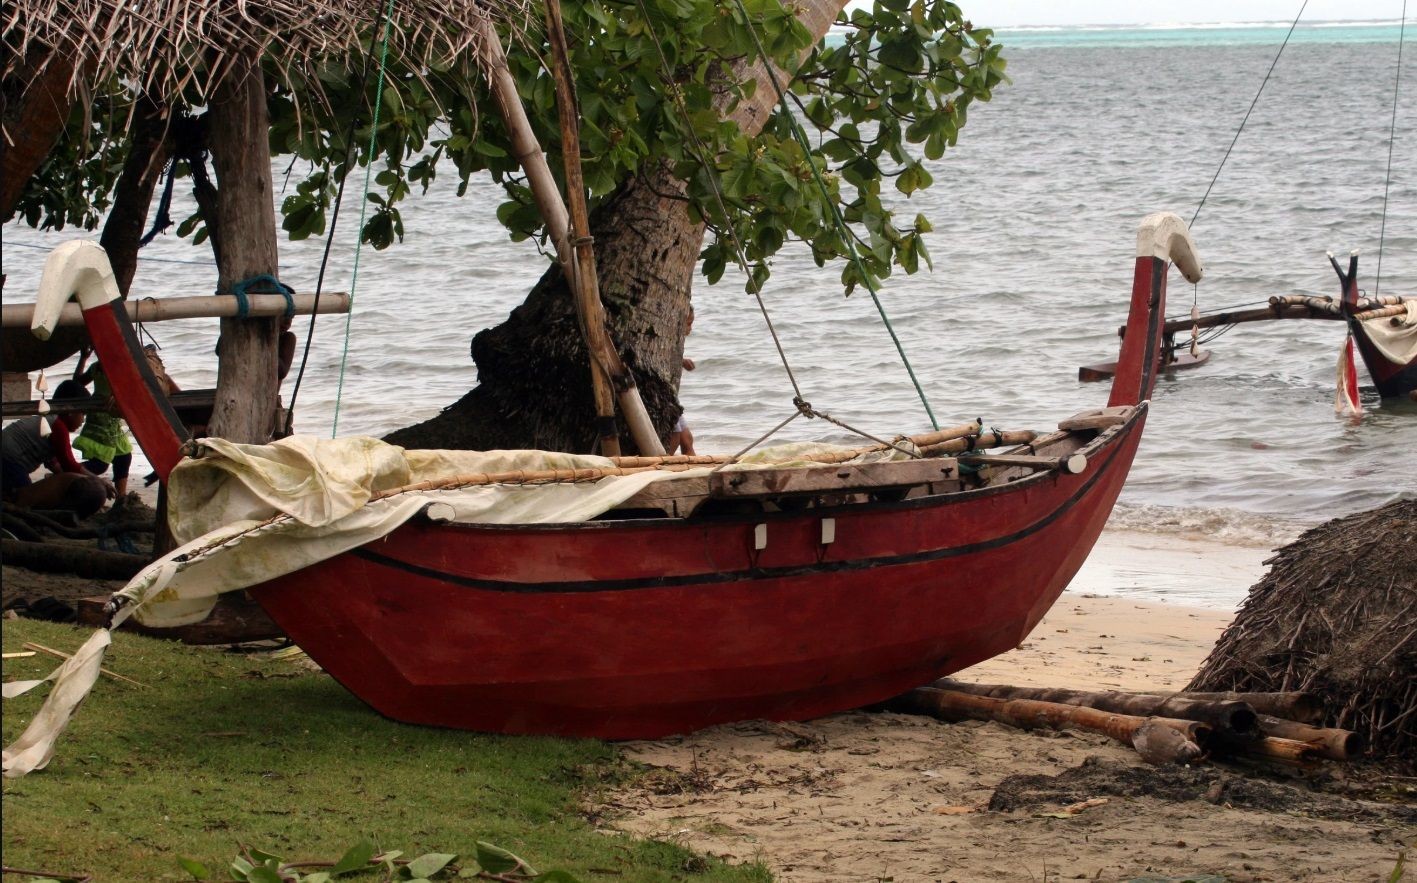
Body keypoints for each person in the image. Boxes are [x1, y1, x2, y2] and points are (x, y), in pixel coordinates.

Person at [1, 379, 114, 518]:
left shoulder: (48, 420)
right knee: (23, 501)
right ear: (70, 411)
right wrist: (98, 481)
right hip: (8, 459)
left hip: (8, 458)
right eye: (82, 414)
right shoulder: (58, 426)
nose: (83, 420)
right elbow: (69, 465)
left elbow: (54, 464)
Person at [72, 360, 134, 501]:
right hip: (102, 418)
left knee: (123, 457)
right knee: (99, 465)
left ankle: (121, 499)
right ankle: (63, 473)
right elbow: (78, 383)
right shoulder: (110, 366)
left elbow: (77, 381)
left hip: (110, 418)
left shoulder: (97, 366)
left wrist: (83, 358)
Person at [666, 305, 697, 456]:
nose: (690, 328)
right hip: (666, 395)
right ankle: (664, 464)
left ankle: (697, 472)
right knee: (676, 437)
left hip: (672, 396)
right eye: (689, 323)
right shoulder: (667, 338)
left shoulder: (677, 342)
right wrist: (682, 361)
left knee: (687, 439)